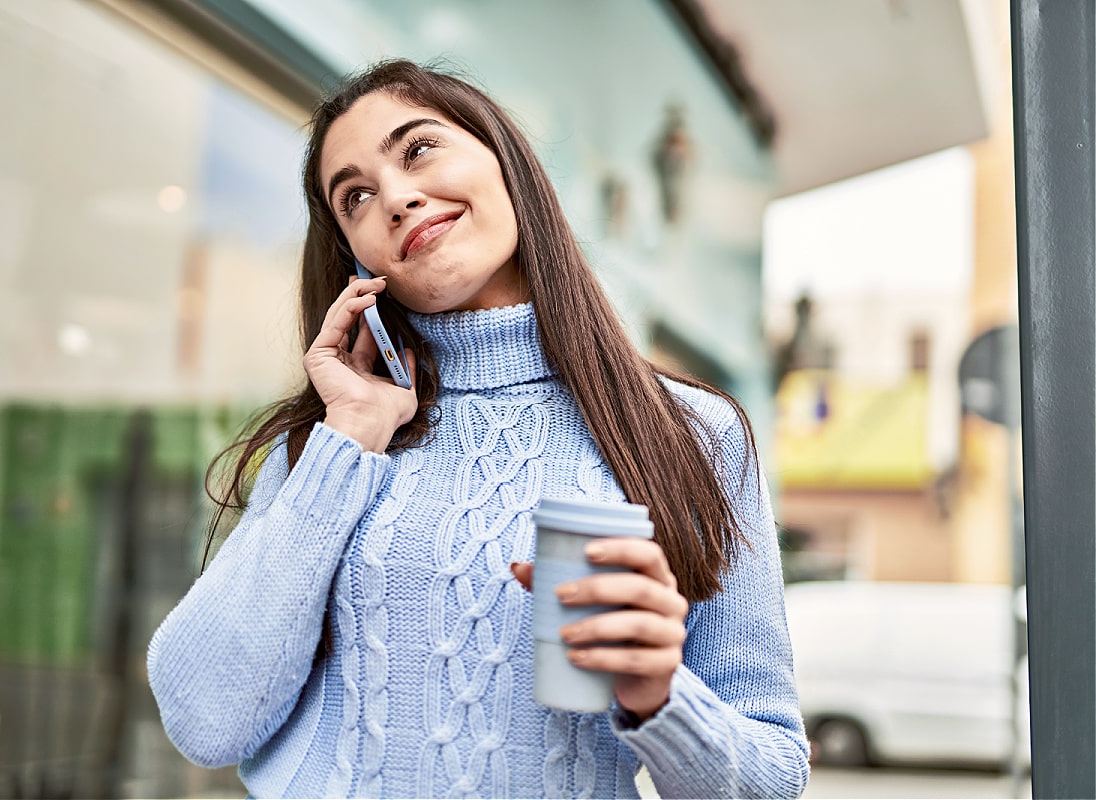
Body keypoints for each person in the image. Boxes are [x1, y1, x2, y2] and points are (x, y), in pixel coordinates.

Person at [147, 59, 810, 799]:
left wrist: (661, 694)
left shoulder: (690, 433)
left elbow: (771, 780)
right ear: (355, 257)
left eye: (418, 149)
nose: (395, 197)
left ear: (506, 163)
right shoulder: (331, 440)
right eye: (356, 196)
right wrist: (349, 440)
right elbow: (203, 720)